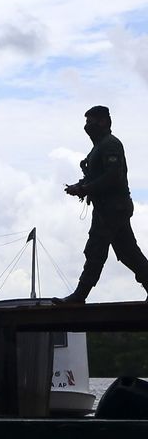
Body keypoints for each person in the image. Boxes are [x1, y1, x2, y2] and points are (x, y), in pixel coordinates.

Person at [54, 106, 148, 304]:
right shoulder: (99, 147)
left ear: (103, 121)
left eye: (91, 121)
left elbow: (113, 176)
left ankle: (80, 295)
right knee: (128, 253)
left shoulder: (110, 145)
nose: (87, 126)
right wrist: (79, 186)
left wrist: (85, 189)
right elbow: (95, 177)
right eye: (86, 122)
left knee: (96, 250)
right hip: (108, 208)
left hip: (112, 208)